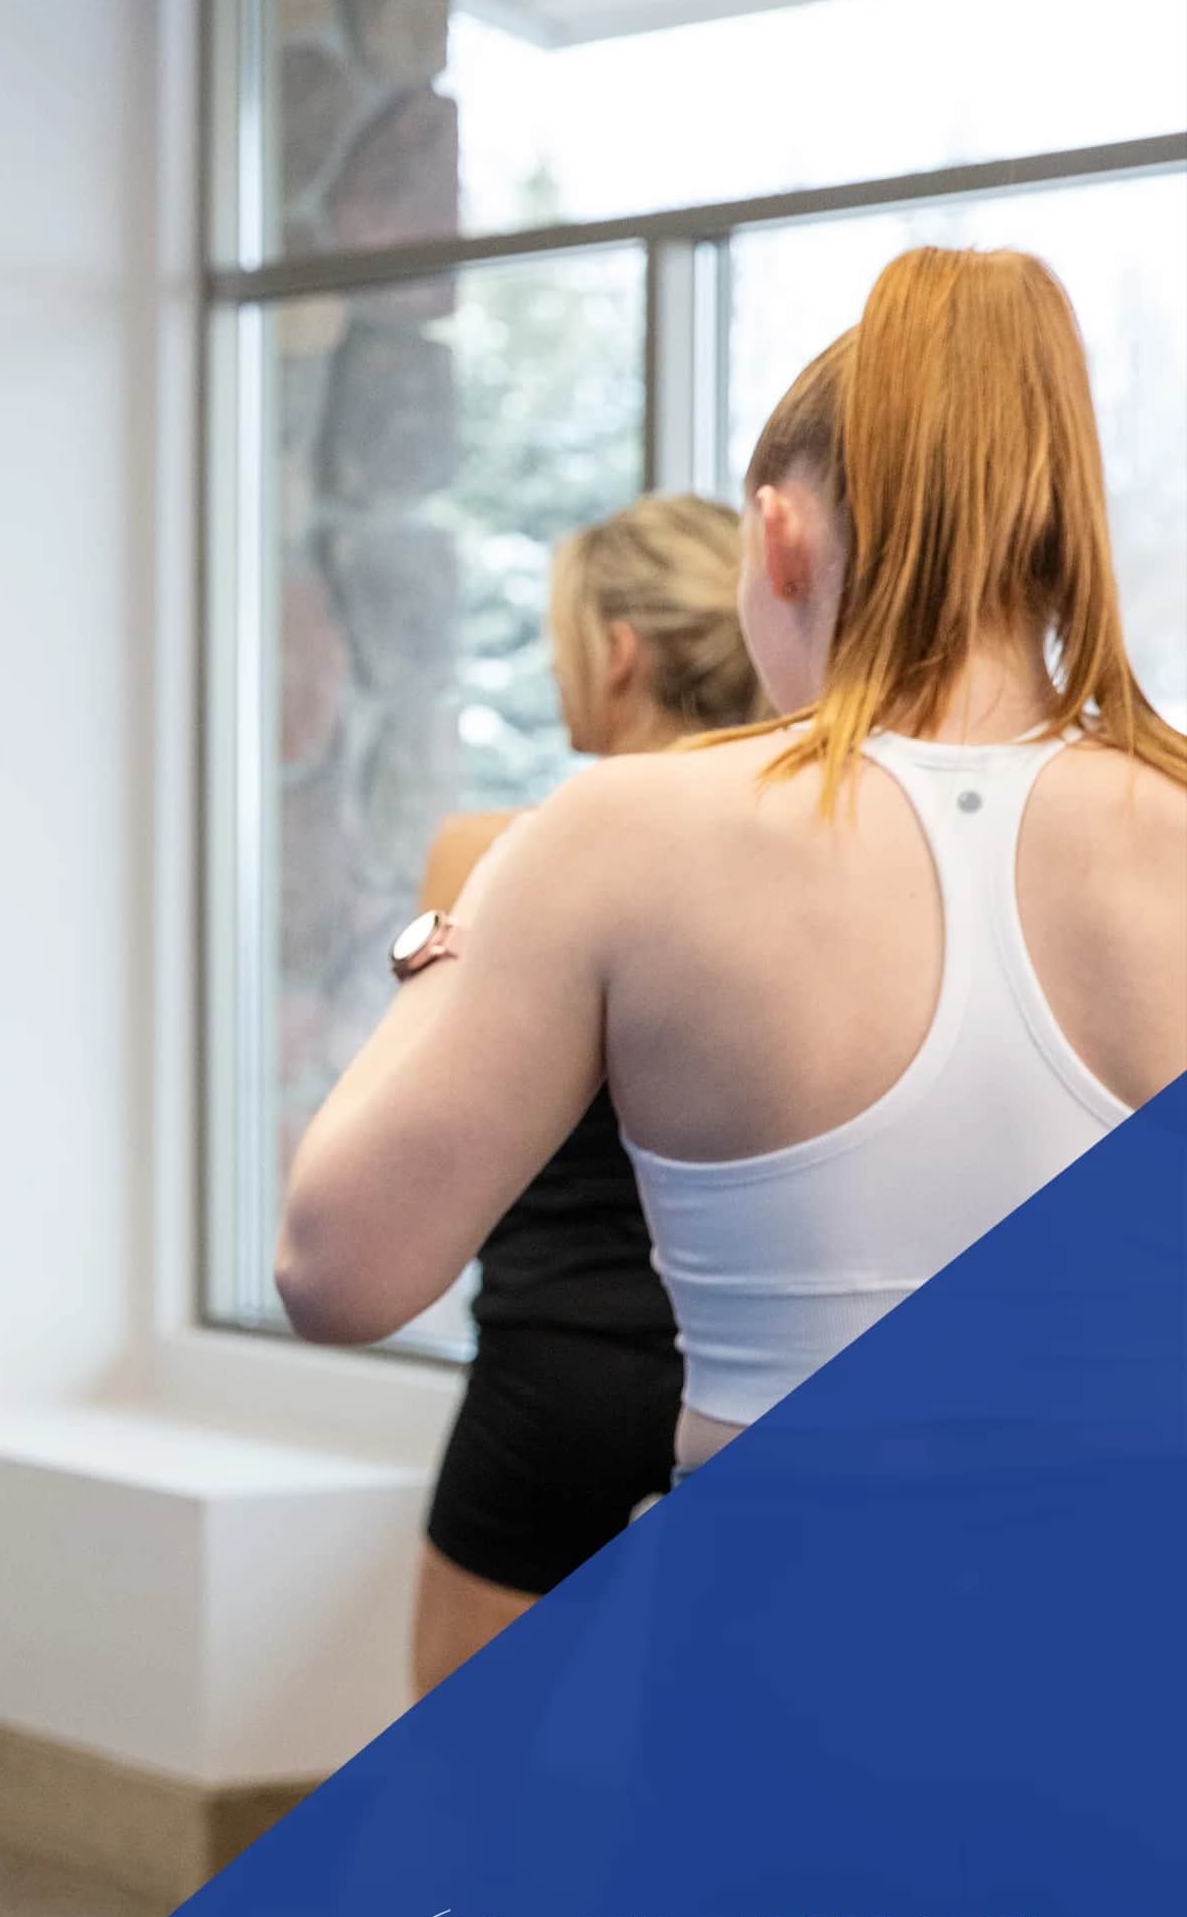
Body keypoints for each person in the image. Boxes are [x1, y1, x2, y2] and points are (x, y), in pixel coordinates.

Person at [280, 248, 1186, 1471]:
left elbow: (334, 1273)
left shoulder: (621, 831)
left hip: (775, 1635)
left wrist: (450, 928)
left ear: (780, 537)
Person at [404, 495, 763, 1693]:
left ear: (618, 652)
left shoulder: (497, 852)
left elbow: (414, 1133)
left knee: (465, 1772)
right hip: (751, 1372)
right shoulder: (821, 865)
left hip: (557, 1371)